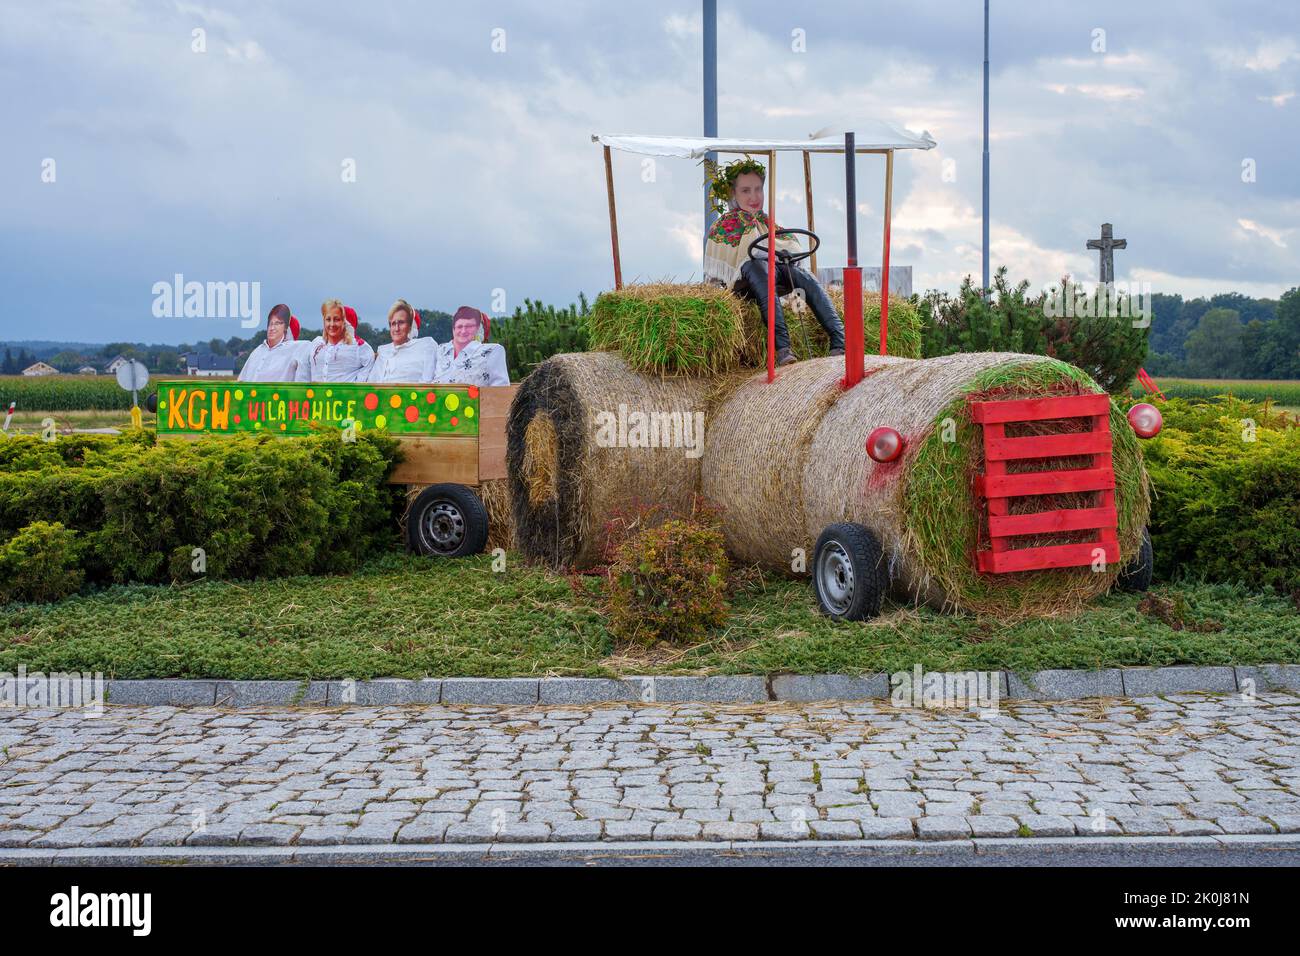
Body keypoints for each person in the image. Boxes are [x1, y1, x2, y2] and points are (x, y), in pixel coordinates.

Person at [704, 158, 845, 366]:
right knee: (759, 268)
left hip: (774, 272)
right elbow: (738, 253)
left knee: (805, 277)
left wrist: (782, 253)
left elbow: (790, 244)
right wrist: (766, 253)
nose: (754, 197)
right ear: (733, 194)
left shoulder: (768, 221)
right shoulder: (725, 225)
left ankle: (840, 341)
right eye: (745, 191)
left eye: (758, 189)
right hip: (745, 282)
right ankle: (782, 348)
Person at [430, 306, 509, 386]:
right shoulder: (440, 350)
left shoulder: (492, 351)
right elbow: (425, 382)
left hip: (477, 398)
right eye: (459, 326)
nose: (463, 331)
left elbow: (500, 389)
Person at [299, 300, 374, 382]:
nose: (332, 324)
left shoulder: (359, 347)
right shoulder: (317, 342)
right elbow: (304, 368)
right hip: (316, 393)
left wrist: (356, 387)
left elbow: (369, 365)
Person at [366, 299, 436, 382]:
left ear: (410, 326)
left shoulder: (426, 346)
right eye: (393, 324)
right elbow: (372, 384)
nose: (396, 328)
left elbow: (427, 381)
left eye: (401, 323)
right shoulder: (383, 352)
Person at [239, 304, 303, 381]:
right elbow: (241, 380)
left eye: (278, 323)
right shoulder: (257, 352)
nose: (273, 328)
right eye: (271, 323)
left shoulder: (296, 351)